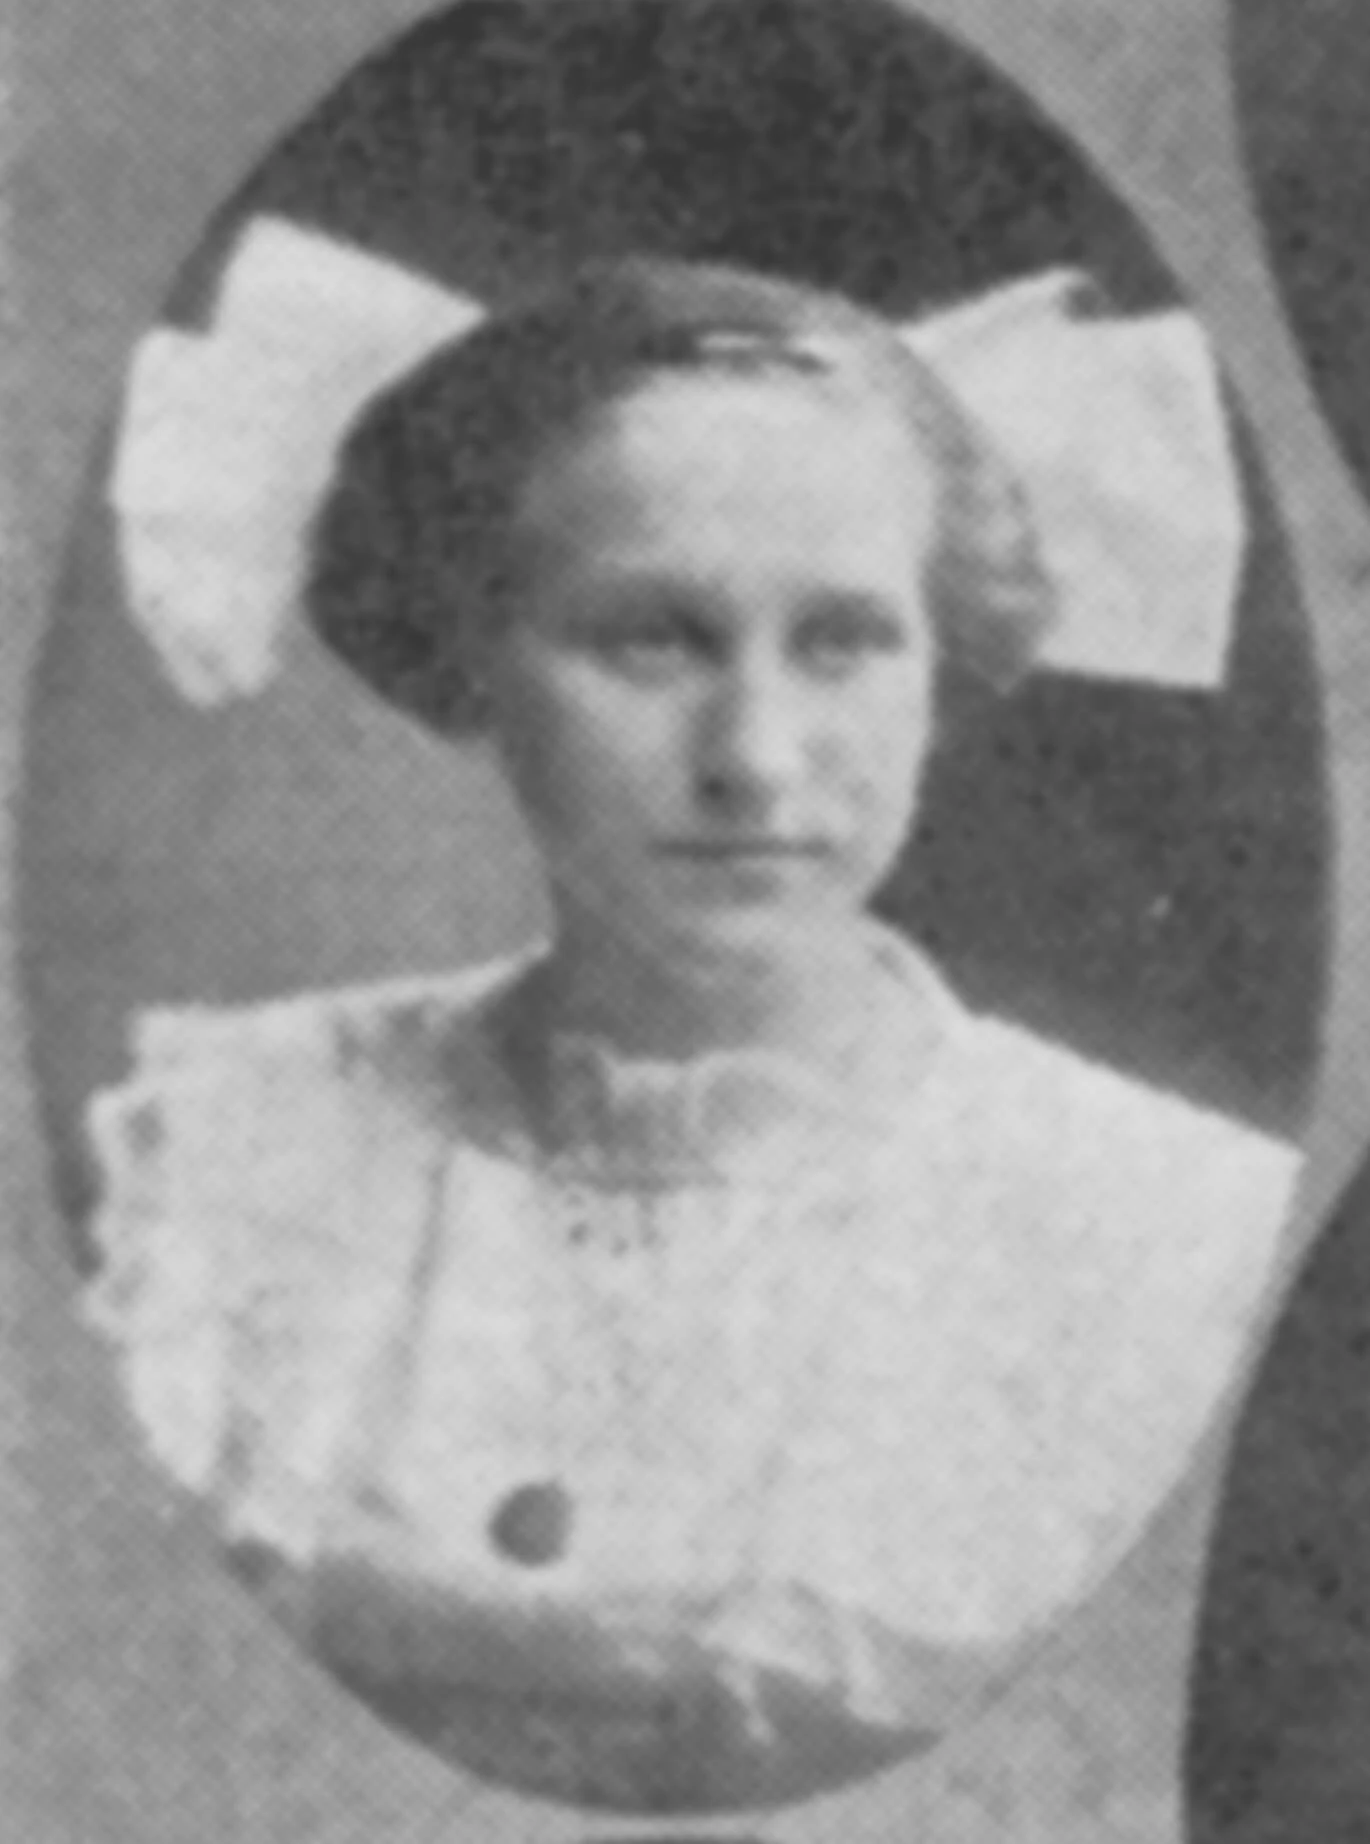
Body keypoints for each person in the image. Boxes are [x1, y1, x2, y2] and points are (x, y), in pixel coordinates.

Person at [84, 255, 1301, 1813]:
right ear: (472, 662)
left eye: (846, 640)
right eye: (649, 640)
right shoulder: (233, 1149)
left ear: (946, 667)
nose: (757, 758)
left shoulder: (1175, 1230)